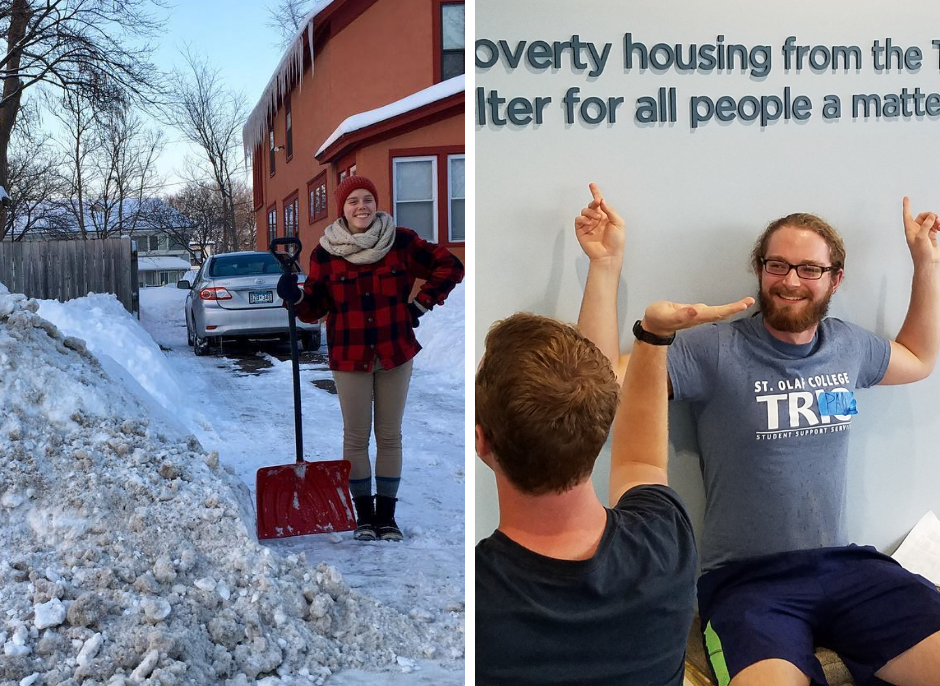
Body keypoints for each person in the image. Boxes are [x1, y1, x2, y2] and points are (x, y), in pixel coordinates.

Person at [589, 194, 940, 686]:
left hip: (847, 567)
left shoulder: (848, 346)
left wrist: (926, 262)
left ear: (835, 278)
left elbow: (918, 357)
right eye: (777, 265)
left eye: (809, 269)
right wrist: (605, 265)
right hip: (745, 584)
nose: (791, 280)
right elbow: (595, 381)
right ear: (759, 270)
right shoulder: (712, 349)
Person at [474, 184, 753, 685]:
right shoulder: (663, 546)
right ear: (599, 425)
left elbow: (620, 435)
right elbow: (642, 462)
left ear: (481, 441)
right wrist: (651, 333)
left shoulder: (478, 602)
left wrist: (644, 328)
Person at [277, 174, 463, 542]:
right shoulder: (325, 253)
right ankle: (364, 517)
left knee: (390, 435)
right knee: (356, 436)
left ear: (375, 202)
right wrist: (295, 297)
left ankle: (387, 517)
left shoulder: (401, 241)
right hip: (350, 354)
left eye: (366, 199)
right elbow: (315, 307)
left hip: (395, 351)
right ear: (342, 208)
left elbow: (450, 266)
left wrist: (421, 303)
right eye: (352, 201)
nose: (361, 206)